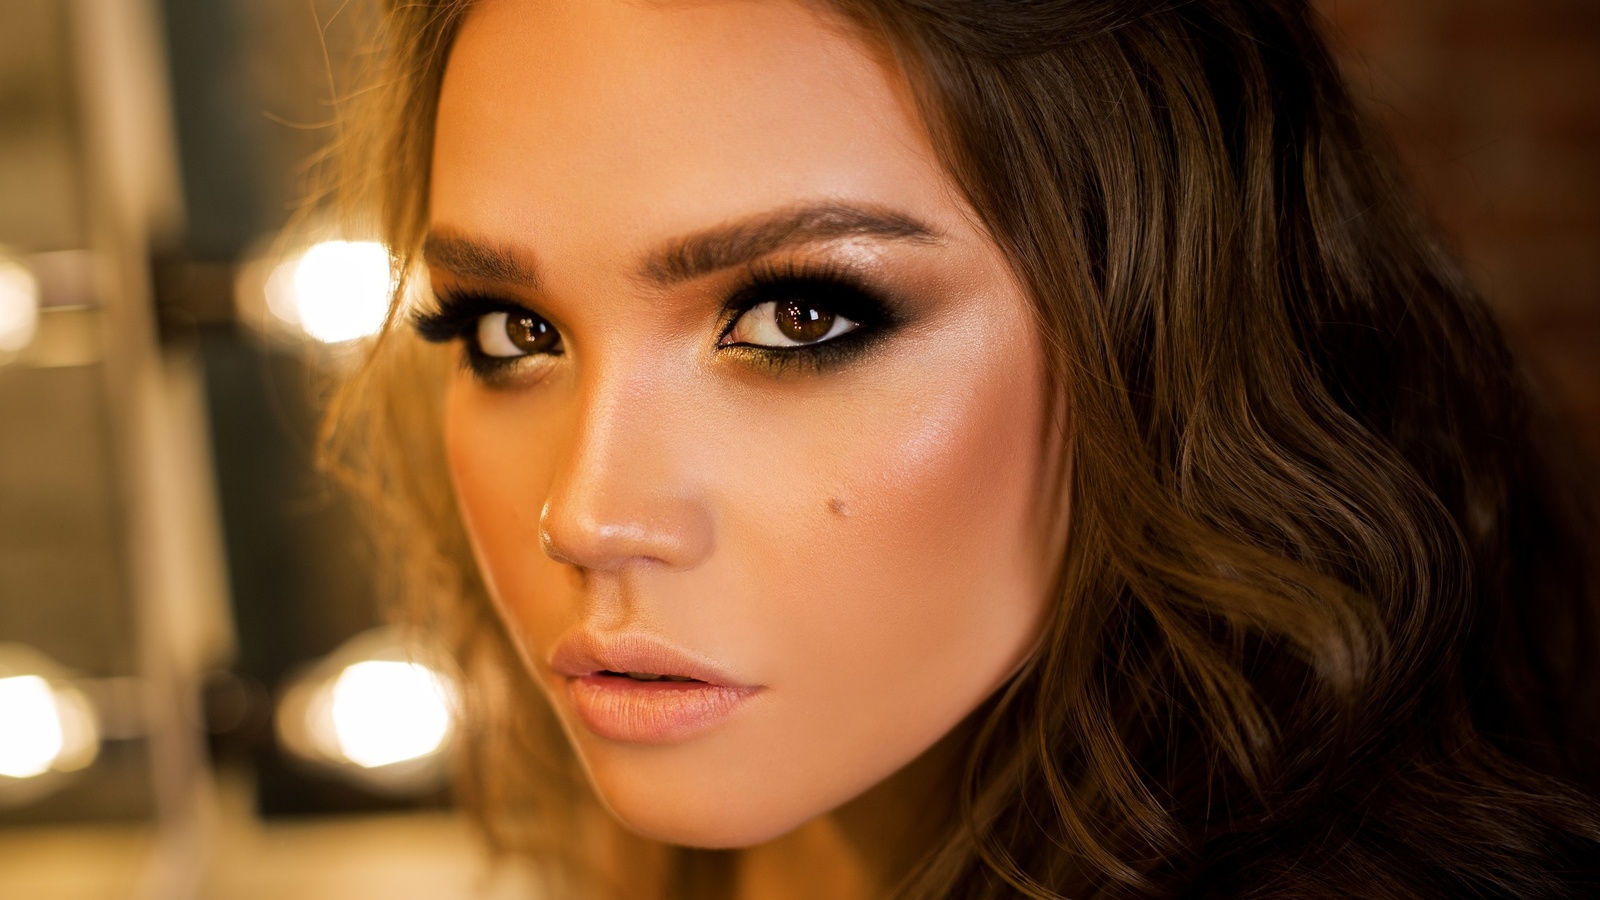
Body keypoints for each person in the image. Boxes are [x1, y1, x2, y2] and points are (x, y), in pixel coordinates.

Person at [321, 0, 1600, 896]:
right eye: (513, 329)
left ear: (1163, 331)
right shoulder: (729, 839)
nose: (587, 516)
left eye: (798, 315)